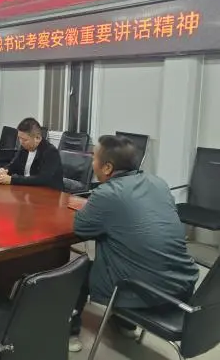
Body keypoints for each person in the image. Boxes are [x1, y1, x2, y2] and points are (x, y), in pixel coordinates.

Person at [68, 135, 199, 352]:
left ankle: (69, 332)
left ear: (107, 167)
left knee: (76, 271)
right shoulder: (158, 183)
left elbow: (81, 228)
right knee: (133, 253)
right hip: (181, 286)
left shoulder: (107, 194)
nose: (92, 162)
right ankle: (126, 324)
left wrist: (91, 207)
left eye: (94, 157)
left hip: (143, 291)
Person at [0, 117, 63, 191]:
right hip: (27, 190)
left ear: (37, 138)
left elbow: (42, 179)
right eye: (19, 138)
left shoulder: (51, 152)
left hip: (48, 193)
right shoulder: (24, 148)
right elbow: (13, 165)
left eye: (24, 140)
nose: (21, 142)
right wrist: (4, 170)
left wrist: (12, 180)